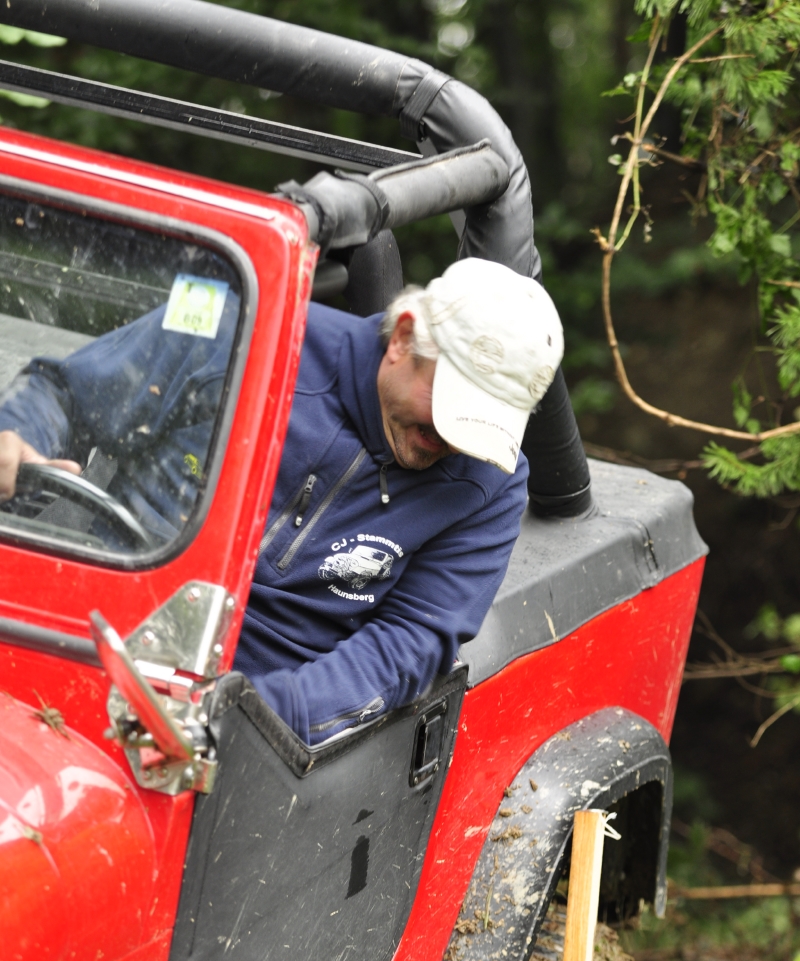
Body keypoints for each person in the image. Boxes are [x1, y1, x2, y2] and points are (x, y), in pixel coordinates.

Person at [0, 257, 563, 745]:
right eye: (452, 407)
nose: (457, 440)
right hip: (91, 634)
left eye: (483, 424)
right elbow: (65, 394)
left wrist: (241, 722)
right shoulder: (243, 337)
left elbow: (408, 643)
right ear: (402, 339)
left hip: (261, 725)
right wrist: (18, 435)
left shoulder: (492, 482)